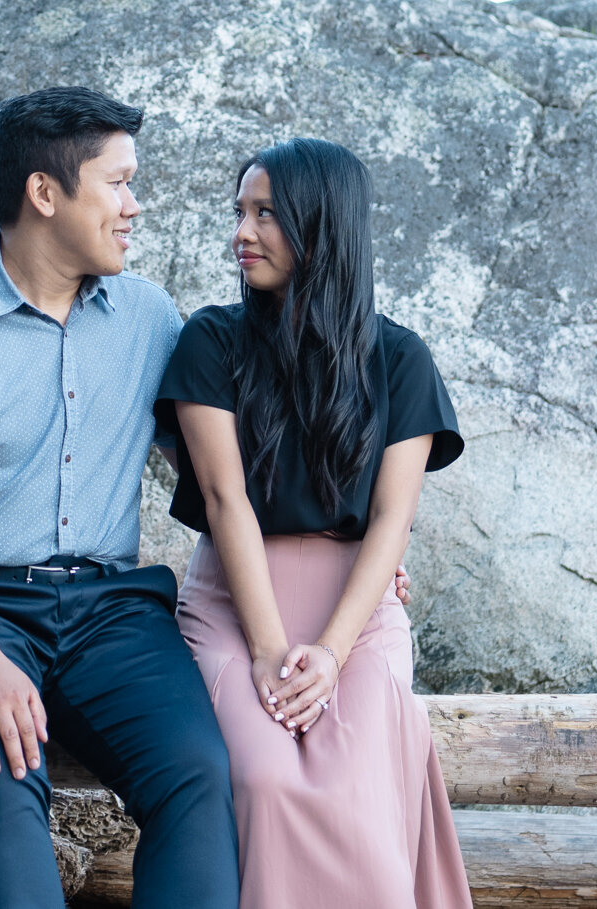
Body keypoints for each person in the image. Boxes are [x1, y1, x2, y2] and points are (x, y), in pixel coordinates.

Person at [0, 87, 238, 909]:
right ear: (45, 192)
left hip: (113, 612)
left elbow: (222, 483)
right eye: (119, 183)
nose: (136, 205)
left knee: (200, 772)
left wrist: (348, 556)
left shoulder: (148, 316)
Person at [156, 137, 472, 909]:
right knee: (261, 779)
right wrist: (267, 650)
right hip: (236, 604)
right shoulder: (211, 340)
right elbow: (226, 501)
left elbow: (393, 517)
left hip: (357, 617)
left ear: (321, 224)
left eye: (266, 213)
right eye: (239, 211)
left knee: (363, 789)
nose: (243, 231)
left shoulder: (401, 359)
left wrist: (330, 652)